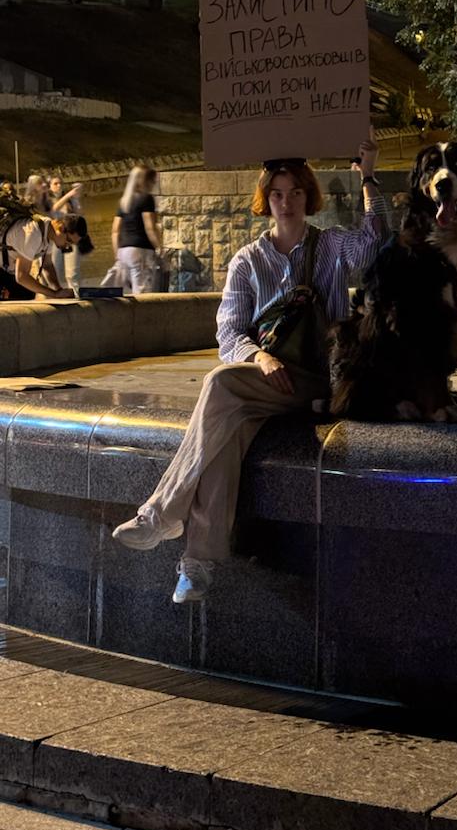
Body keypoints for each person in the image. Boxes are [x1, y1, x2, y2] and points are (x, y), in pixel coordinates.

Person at [112, 139, 390, 604]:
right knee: (227, 432)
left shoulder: (330, 244)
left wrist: (368, 176)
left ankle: (161, 513)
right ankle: (197, 566)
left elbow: (375, 244)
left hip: (317, 380)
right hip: (264, 379)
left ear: (308, 196)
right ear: (266, 199)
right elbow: (229, 335)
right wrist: (261, 357)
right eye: (277, 193)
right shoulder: (247, 260)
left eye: (295, 192)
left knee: (219, 383)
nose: (287, 201)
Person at [0, 203, 93, 300]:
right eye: (68, 241)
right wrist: (54, 294)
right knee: (25, 293)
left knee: (27, 294)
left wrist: (59, 290)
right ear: (61, 228)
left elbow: (47, 266)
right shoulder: (33, 234)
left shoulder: (48, 231)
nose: (67, 246)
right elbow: (21, 276)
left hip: (6, 270)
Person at [107, 165, 162, 293]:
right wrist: (160, 247)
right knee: (142, 291)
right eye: (153, 181)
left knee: (127, 290)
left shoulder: (124, 201)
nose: (154, 184)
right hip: (141, 250)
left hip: (124, 251)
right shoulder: (146, 199)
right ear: (146, 181)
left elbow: (115, 231)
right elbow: (150, 228)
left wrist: (117, 255)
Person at [48, 176, 84, 292]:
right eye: (55, 183)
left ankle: (75, 293)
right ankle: (55, 293)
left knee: (72, 271)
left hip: (70, 237)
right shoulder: (47, 199)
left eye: (60, 183)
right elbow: (54, 209)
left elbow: (79, 214)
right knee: (55, 269)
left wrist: (76, 198)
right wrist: (68, 195)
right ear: (50, 186)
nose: (59, 186)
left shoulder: (69, 200)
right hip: (56, 238)